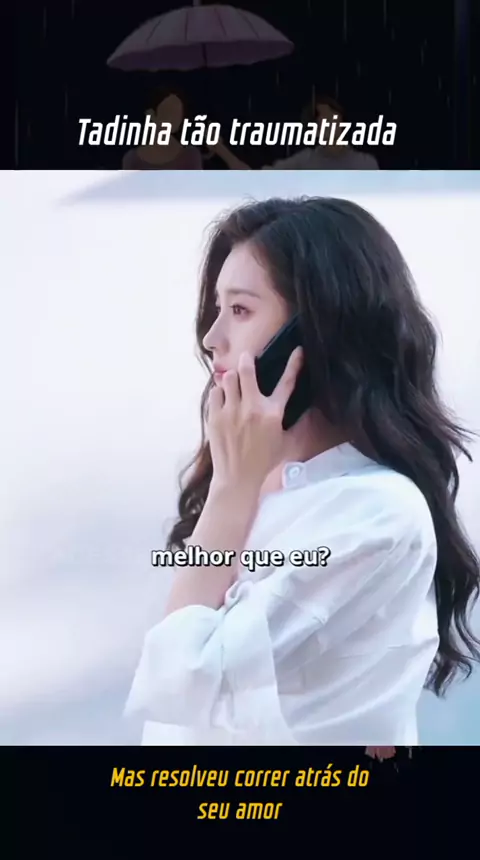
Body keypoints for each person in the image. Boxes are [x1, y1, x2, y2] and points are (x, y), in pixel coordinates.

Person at [125, 197, 480, 745]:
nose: (212, 338)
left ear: (312, 332)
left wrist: (230, 492)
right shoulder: (255, 488)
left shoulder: (378, 513)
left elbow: (181, 684)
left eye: (240, 310)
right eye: (217, 309)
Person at [208, 95, 379, 170]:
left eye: (333, 117)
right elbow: (255, 177)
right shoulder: (304, 162)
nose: (331, 124)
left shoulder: (366, 163)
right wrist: (221, 150)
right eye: (323, 121)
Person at [122, 87, 203, 170]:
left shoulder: (190, 156)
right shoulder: (132, 159)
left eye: (177, 113)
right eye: (167, 111)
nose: (172, 118)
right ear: (152, 115)